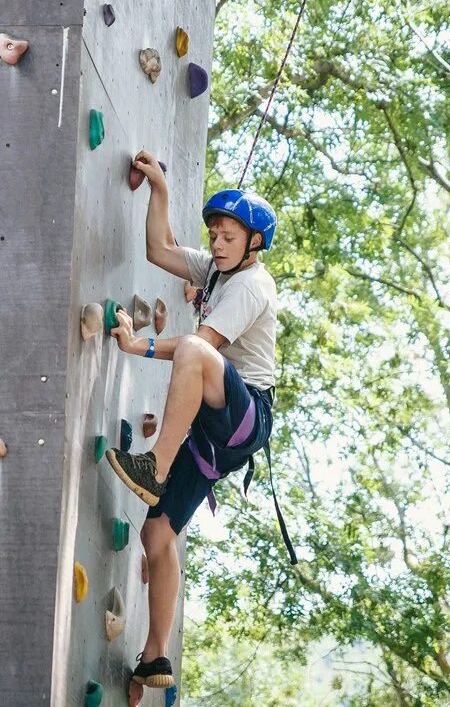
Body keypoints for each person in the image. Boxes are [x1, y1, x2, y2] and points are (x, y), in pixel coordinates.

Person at [104, 150, 287, 695]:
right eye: (215, 233)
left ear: (254, 243)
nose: (218, 243)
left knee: (191, 351)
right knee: (156, 534)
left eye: (230, 236)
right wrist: (159, 189)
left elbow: (199, 348)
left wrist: (138, 345)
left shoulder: (253, 286)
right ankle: (155, 654)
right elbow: (158, 248)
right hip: (213, 434)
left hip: (246, 415)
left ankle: (153, 467)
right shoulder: (213, 272)